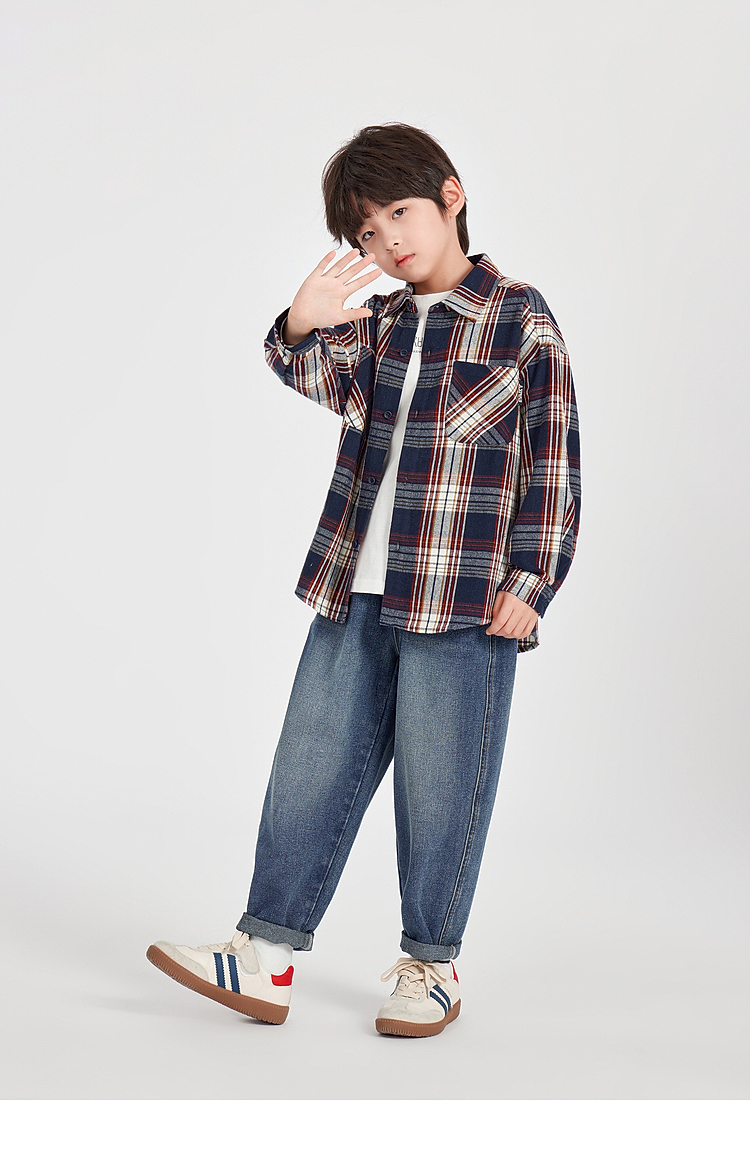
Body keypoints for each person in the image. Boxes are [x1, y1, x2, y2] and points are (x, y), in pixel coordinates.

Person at [147, 123, 581, 1038]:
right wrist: (303, 318)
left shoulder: (520, 317)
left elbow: (554, 462)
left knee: (443, 786)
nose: (388, 242)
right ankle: (264, 955)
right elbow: (308, 371)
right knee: (308, 763)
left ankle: (433, 964)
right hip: (356, 589)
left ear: (451, 196)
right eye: (368, 233)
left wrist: (532, 581)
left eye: (400, 214)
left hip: (464, 600)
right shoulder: (378, 325)